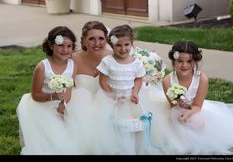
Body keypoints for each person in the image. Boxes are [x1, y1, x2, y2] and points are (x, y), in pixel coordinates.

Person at [162, 41, 233, 154]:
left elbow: (197, 105)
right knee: (174, 127)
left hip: (195, 108)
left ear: (196, 61)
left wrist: (188, 113)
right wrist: (179, 105)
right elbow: (172, 106)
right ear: (173, 62)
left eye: (189, 61)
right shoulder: (167, 81)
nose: (184, 65)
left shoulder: (202, 79)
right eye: (180, 61)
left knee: (198, 123)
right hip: (176, 110)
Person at [16, 26, 80, 155]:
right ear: (51, 45)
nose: (65, 50)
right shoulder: (42, 67)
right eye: (61, 46)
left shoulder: (73, 66)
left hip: (63, 104)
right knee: (47, 142)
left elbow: (69, 91)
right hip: (42, 105)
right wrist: (53, 97)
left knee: (68, 139)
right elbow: (35, 95)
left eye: (69, 46)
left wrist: (63, 106)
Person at [93, 24, 147, 155]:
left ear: (131, 43)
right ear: (112, 45)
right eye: (118, 45)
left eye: (126, 45)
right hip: (113, 98)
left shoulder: (136, 63)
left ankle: (131, 149)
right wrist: (111, 95)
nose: (123, 49)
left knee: (131, 126)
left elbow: (139, 79)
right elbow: (102, 80)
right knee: (114, 126)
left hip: (129, 99)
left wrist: (135, 92)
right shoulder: (108, 61)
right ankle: (115, 149)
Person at [64, 21, 113, 154]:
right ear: (84, 41)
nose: (97, 43)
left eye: (101, 38)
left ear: (106, 39)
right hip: (82, 106)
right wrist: (63, 103)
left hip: (109, 102)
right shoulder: (74, 58)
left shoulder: (113, 56)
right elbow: (67, 84)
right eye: (91, 39)